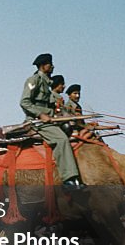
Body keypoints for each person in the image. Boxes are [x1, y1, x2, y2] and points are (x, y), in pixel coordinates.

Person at [20, 53, 83, 191]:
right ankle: (68, 179)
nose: (52, 66)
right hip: (37, 121)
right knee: (61, 140)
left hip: (49, 118)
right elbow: (24, 102)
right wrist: (40, 114)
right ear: (43, 66)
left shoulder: (46, 83)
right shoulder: (33, 80)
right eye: (50, 64)